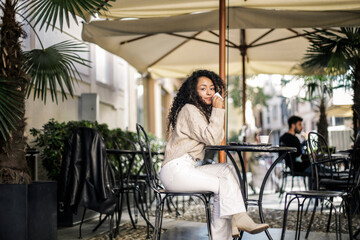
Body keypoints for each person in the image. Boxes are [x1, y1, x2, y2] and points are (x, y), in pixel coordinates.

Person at [159, 70, 269, 239]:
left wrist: (216, 112)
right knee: (224, 187)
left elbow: (216, 138)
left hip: (187, 167)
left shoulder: (201, 112)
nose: (209, 92)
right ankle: (236, 218)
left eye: (211, 88)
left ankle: (236, 219)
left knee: (226, 170)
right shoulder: (189, 109)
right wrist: (218, 110)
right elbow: (212, 138)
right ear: (193, 92)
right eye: (203, 88)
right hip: (175, 171)